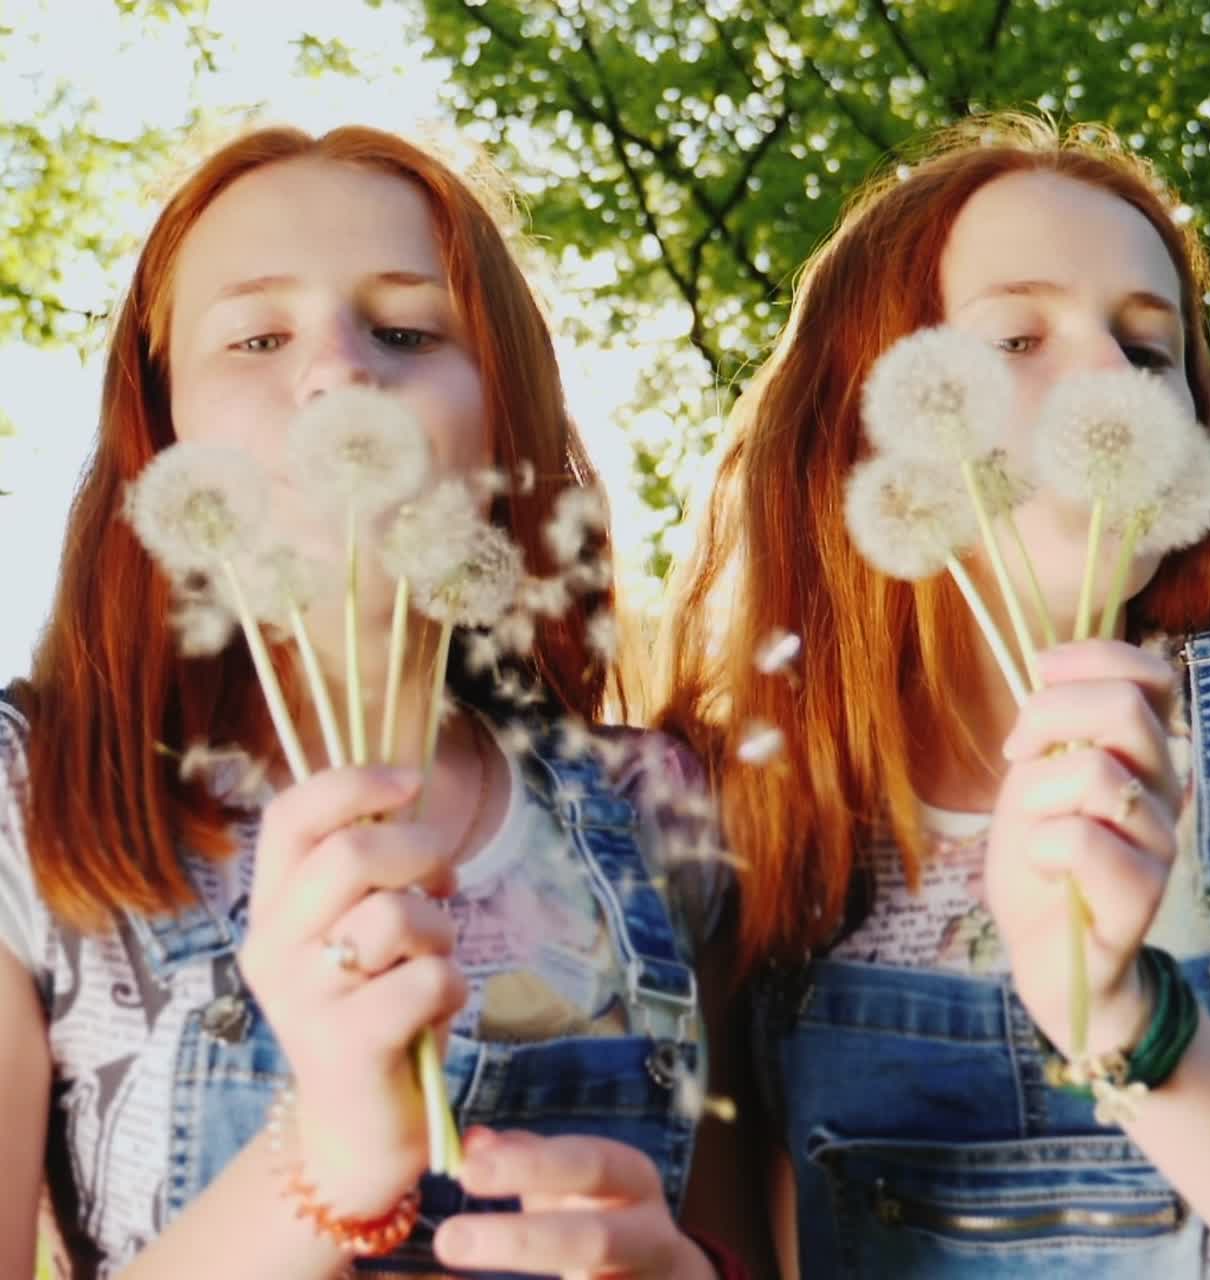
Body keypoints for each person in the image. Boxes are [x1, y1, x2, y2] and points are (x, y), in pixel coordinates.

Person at [0, 123, 765, 1279]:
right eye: (256, 336)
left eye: (405, 329)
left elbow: (744, 1240)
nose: (338, 371)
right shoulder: (29, 798)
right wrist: (323, 1162)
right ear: (160, 435)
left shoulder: (657, 809)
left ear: (504, 416)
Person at [658, 113, 1210, 1277]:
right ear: (860, 423)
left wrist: (1127, 1021)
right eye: (1013, 338)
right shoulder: (724, 824)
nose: (1108, 376)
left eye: (1150, 352)